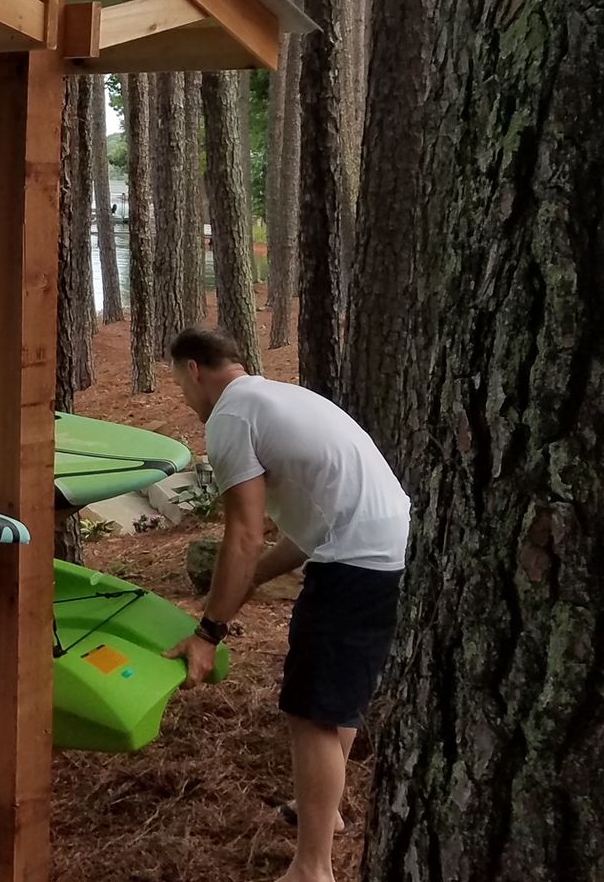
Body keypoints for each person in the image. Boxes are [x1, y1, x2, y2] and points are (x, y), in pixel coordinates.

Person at [161, 327, 409, 882]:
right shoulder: (278, 397)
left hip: (355, 563)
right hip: (387, 550)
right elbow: (308, 527)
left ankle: (311, 868)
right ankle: (329, 817)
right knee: (335, 702)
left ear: (194, 371)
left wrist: (209, 633)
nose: (183, 397)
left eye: (178, 383)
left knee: (312, 712)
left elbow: (244, 534)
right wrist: (248, 584)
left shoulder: (230, 416)